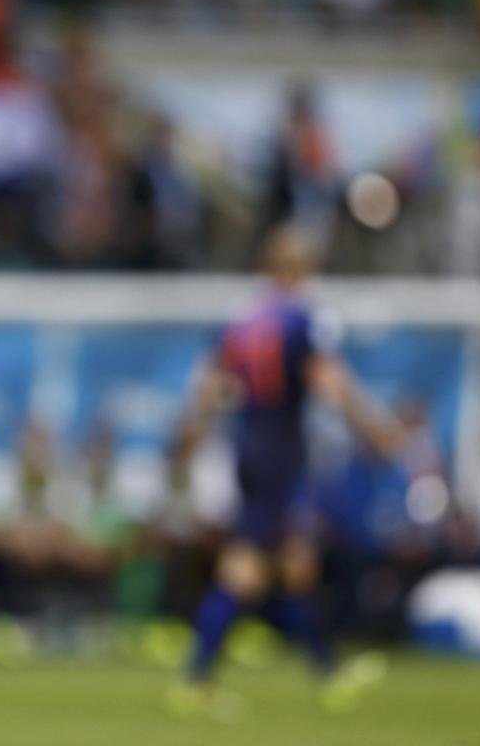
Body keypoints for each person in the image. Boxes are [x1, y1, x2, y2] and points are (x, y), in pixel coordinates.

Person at [168, 226, 403, 717]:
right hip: (281, 447)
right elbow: (329, 382)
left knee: (293, 564)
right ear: (302, 270)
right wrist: (374, 429)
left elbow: (210, 384)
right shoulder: (301, 318)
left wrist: (191, 435)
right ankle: (196, 677)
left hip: (248, 444)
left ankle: (328, 671)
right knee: (246, 570)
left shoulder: (240, 318)